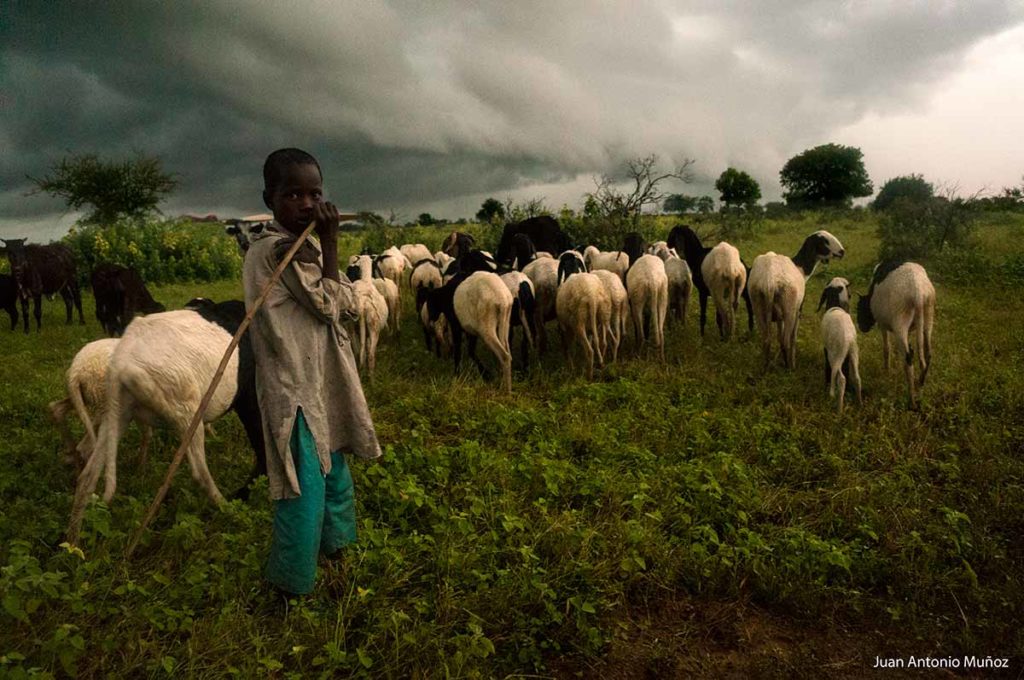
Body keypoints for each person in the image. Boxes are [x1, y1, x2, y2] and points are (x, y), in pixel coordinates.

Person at [243, 148, 381, 596]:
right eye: (293, 194)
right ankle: (289, 588)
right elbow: (333, 304)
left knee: (334, 469)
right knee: (303, 489)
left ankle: (338, 552)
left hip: (321, 381)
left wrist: (321, 247)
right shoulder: (273, 252)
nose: (306, 203)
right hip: (295, 389)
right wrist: (333, 244)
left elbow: (340, 309)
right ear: (270, 199)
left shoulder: (302, 247)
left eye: (315, 193)